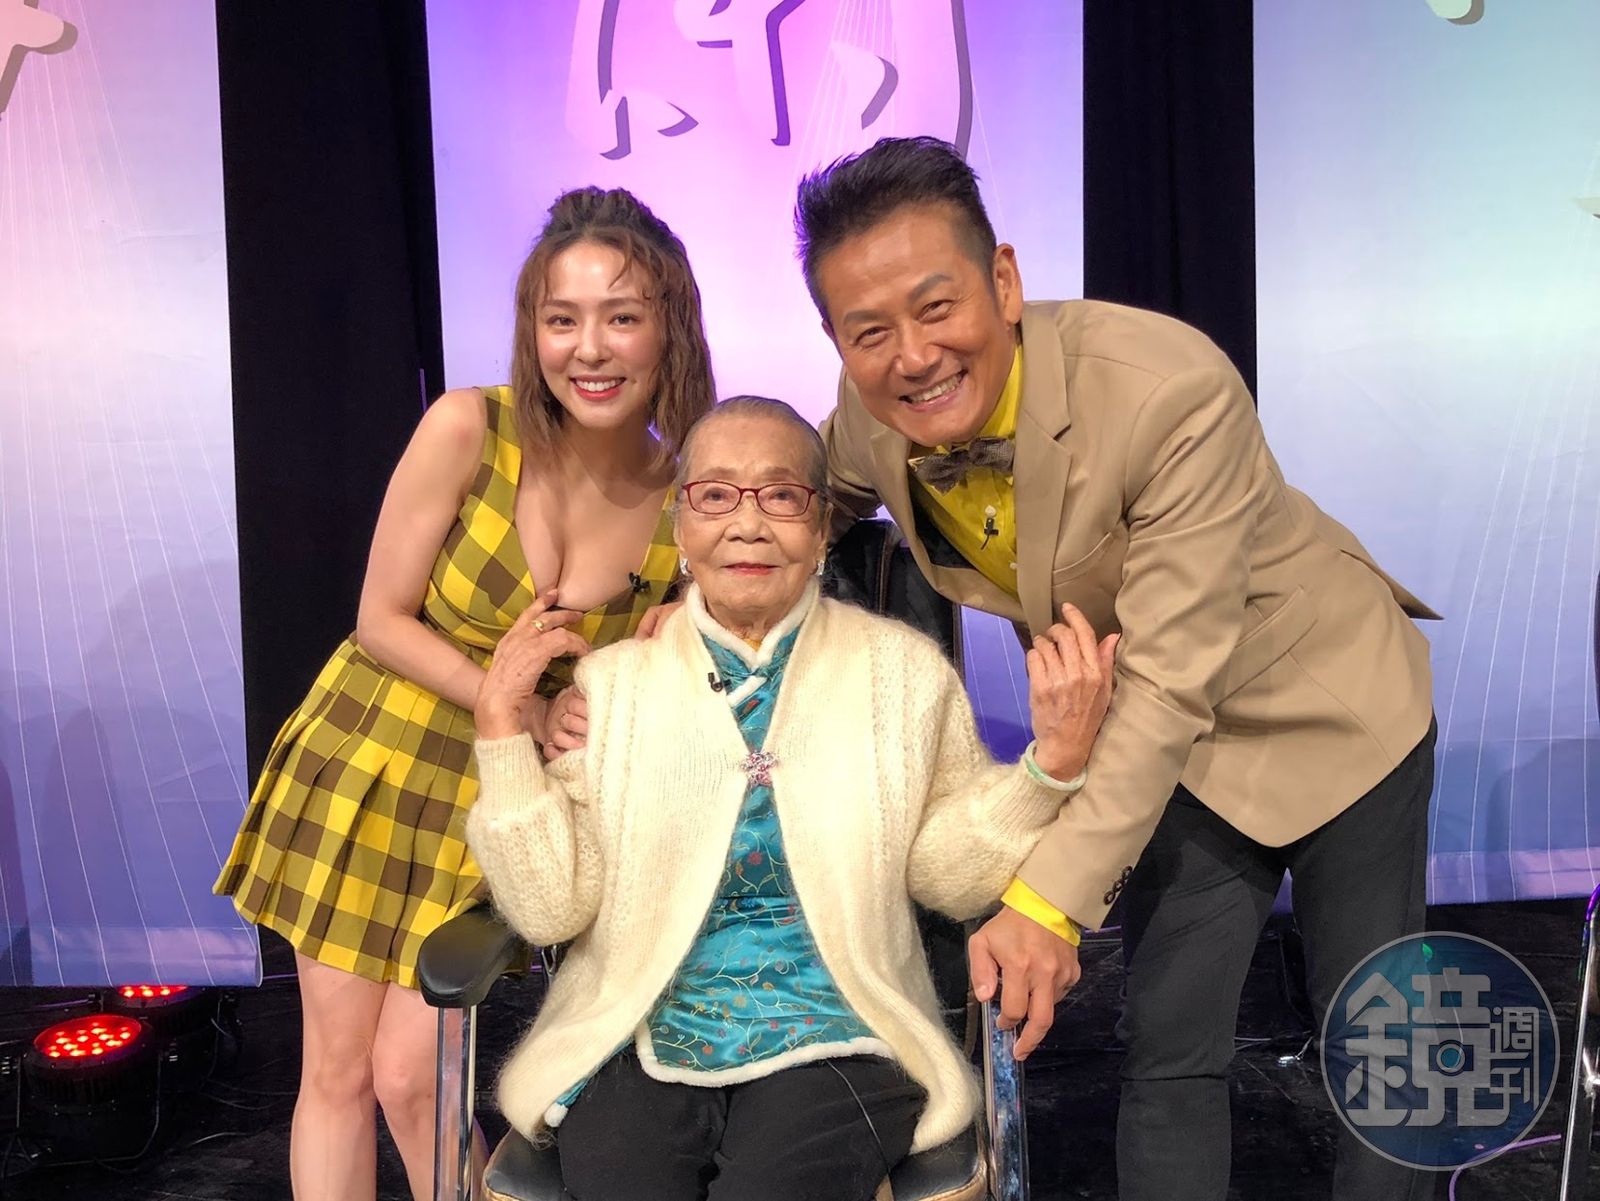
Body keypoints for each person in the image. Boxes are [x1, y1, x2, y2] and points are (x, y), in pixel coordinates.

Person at [793, 136, 1439, 1200]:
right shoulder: (873, 413)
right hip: (1170, 759)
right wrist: (687, 573)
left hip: (1329, 709)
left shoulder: (1167, 388)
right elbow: (800, 487)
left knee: (1382, 1051)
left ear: (1004, 281)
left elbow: (1172, 676)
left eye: (935, 306)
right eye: (870, 331)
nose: (911, 355)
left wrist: (1049, 904)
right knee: (1169, 1050)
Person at [467, 396, 1118, 1201]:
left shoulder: (901, 674)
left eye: (780, 495)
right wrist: (501, 734)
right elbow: (550, 909)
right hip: (639, 1023)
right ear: (681, 525)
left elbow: (947, 876)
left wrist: (1048, 768)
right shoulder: (614, 688)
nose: (747, 524)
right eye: (715, 495)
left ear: (818, 531)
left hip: (842, 1021)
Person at [213, 186, 715, 1201]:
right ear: (534, 330)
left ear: (669, 328)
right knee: (341, 1072)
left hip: (494, 805)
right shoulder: (468, 427)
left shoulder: (682, 502)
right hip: (371, 761)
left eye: (621, 317)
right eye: (562, 318)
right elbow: (379, 618)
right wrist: (518, 702)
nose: (590, 348)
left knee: (418, 1079)